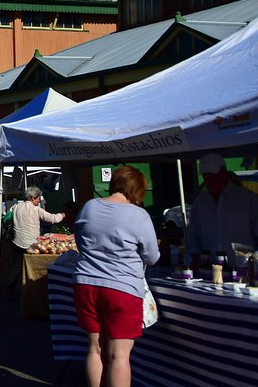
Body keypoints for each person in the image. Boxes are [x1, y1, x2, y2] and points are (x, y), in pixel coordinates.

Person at [73, 165, 160, 387]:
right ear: (138, 190)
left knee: (95, 348)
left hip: (86, 283)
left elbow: (80, 240)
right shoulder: (138, 214)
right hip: (122, 287)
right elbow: (152, 256)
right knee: (118, 355)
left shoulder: (89, 207)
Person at [186, 153, 258, 260]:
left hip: (243, 269)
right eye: (206, 177)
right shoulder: (199, 202)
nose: (210, 181)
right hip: (209, 269)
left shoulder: (248, 199)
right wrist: (194, 255)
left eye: (213, 177)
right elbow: (192, 236)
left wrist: (255, 260)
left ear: (224, 173)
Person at [6, 186, 65, 299]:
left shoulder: (16, 206)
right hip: (32, 245)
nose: (39, 201)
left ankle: (11, 292)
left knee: (16, 268)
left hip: (17, 241)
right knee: (33, 269)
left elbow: (6, 219)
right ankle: (30, 292)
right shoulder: (36, 209)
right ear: (33, 198)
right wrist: (63, 214)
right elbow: (53, 219)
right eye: (38, 199)